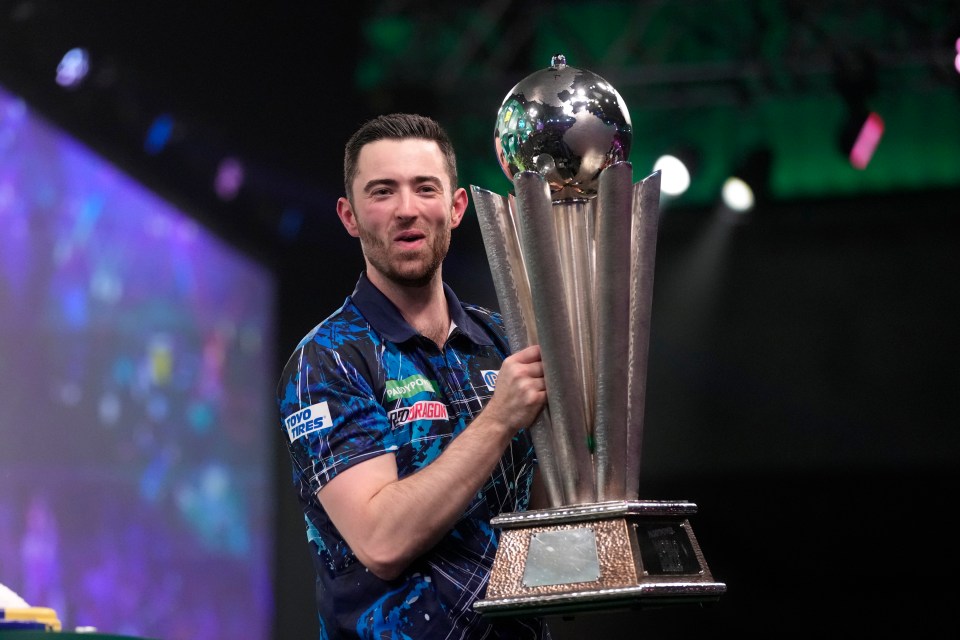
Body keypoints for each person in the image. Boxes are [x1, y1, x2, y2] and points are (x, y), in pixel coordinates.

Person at [276, 113, 551, 639]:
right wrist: (498, 422)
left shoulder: (503, 341)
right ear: (349, 215)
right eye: (382, 191)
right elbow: (382, 541)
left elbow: (551, 516)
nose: (406, 210)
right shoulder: (328, 360)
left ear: (457, 207)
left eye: (425, 188)